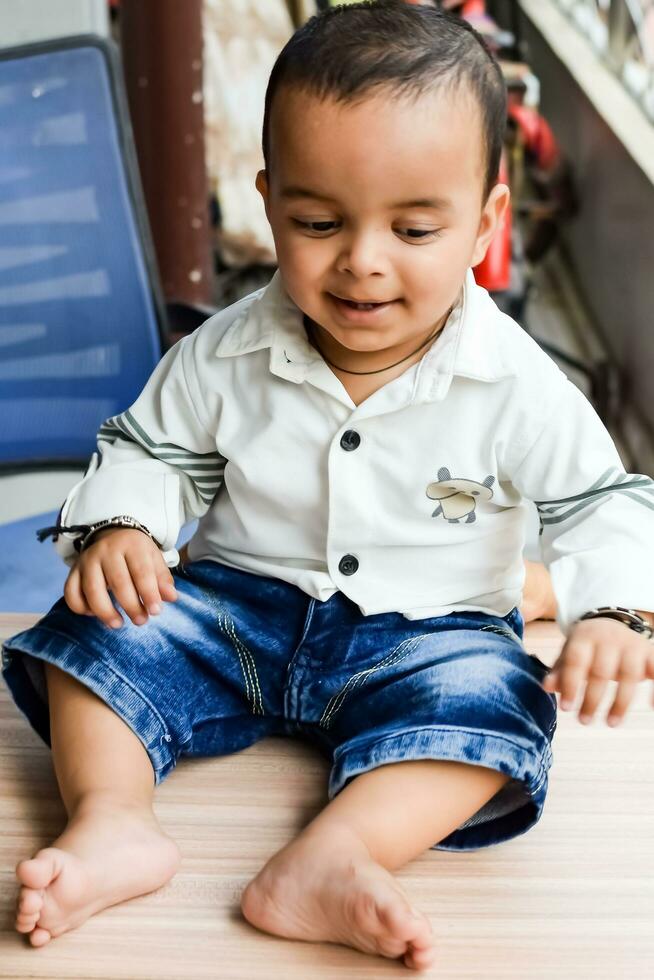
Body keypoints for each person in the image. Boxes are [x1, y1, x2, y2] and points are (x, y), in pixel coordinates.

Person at [3, 1, 654, 971]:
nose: (362, 260)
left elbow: (602, 503)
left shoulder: (517, 381)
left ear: (485, 221)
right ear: (270, 204)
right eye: (317, 221)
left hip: (430, 633)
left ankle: (337, 853)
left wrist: (613, 608)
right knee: (93, 632)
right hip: (234, 610)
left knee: (496, 699)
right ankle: (113, 818)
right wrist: (124, 527)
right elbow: (152, 448)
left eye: (414, 226)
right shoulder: (225, 349)